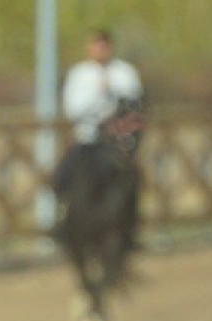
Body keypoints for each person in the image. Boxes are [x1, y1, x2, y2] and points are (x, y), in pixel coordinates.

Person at [54, 27, 146, 246]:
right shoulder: (80, 74)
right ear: (89, 48)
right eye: (96, 45)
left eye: (104, 45)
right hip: (87, 139)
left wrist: (114, 96)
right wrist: (99, 95)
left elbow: (134, 105)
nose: (100, 49)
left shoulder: (125, 73)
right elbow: (72, 109)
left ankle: (131, 225)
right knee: (61, 177)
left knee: (132, 179)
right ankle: (62, 221)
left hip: (117, 142)